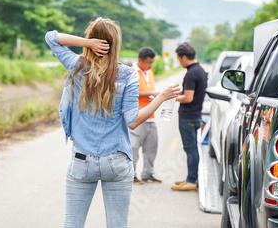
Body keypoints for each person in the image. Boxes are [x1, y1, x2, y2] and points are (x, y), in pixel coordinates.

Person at [45, 17, 180, 228]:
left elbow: (52, 38)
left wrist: (88, 44)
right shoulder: (128, 75)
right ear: (116, 44)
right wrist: (162, 97)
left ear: (93, 40)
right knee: (117, 224)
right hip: (116, 161)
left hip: (82, 160)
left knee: (72, 222)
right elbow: (133, 121)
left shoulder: (78, 66)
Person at [171, 42, 208, 191]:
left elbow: (188, 98)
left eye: (179, 59)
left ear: (184, 57)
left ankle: (191, 181)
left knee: (190, 149)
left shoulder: (191, 73)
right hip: (195, 115)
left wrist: (172, 97)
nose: (179, 62)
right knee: (192, 149)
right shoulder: (200, 70)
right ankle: (191, 178)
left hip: (188, 116)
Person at [130, 47, 161, 184]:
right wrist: (151, 94)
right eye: (148, 62)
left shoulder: (150, 73)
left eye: (152, 62)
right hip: (136, 116)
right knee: (133, 148)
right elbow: (130, 93)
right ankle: (131, 175)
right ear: (140, 60)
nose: (150, 65)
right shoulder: (131, 72)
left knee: (151, 147)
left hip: (150, 116)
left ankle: (148, 174)